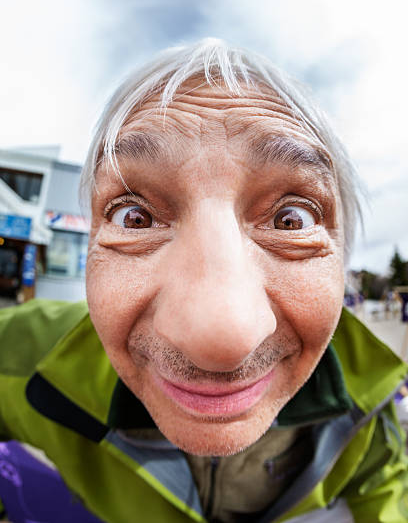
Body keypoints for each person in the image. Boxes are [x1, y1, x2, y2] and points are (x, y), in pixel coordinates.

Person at [0, 38, 407, 523]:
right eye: (134, 218)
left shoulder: (374, 409)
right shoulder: (22, 354)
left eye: (291, 221)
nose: (221, 337)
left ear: (341, 262)